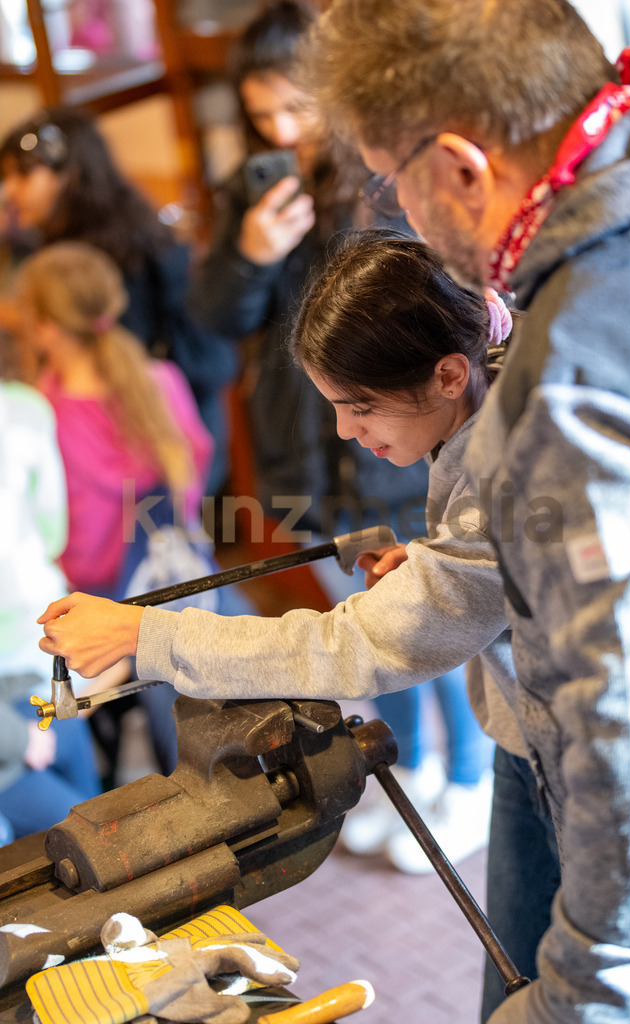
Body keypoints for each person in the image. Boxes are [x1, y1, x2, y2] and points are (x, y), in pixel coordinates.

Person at [37, 232, 555, 1008]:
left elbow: (364, 643)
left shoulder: (510, 460)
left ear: (449, 374)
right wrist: (438, 563)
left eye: (359, 406)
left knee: (554, 986)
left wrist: (145, 636)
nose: (345, 429)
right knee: (520, 970)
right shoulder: (491, 388)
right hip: (530, 740)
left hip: (577, 756)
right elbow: (496, 559)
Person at [295, 2, 630, 1022]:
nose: (406, 217)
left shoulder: (577, 362)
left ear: (461, 167)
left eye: (393, 182)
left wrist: (578, 994)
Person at [190, 0, 494, 868]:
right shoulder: (256, 188)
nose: (283, 132)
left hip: (397, 449)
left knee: (433, 610)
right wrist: (250, 253)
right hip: (312, 455)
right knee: (366, 615)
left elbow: (429, 313)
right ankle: (415, 765)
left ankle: (468, 777)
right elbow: (215, 319)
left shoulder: (387, 182)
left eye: (296, 108)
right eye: (262, 116)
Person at [14, 240, 250, 778]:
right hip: (180, 582)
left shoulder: (41, 414)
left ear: (45, 328)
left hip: (97, 603)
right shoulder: (161, 382)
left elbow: (55, 540)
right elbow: (194, 480)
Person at [0, 105, 236, 495]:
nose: (10, 191)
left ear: (68, 175)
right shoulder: (123, 223)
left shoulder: (100, 257)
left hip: (154, 433)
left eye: (22, 176)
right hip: (176, 419)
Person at [0, 357, 101, 837]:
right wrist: (16, 739)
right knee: (91, 825)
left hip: (27, 663)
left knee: (89, 824)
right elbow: (53, 533)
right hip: (39, 644)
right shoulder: (24, 408)